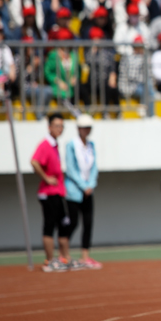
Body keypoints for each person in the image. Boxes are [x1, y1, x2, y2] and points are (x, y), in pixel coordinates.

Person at [31, 114, 72, 272]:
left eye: (61, 126)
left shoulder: (55, 144)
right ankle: (49, 260)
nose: (59, 129)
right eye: (56, 126)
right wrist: (46, 178)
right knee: (49, 225)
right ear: (49, 127)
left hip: (58, 192)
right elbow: (34, 161)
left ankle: (65, 258)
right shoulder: (45, 144)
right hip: (48, 193)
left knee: (63, 224)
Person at [64, 115, 101, 270]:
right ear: (78, 129)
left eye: (89, 127)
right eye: (84, 127)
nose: (87, 130)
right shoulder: (71, 145)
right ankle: (64, 255)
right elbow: (71, 169)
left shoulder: (91, 144)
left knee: (88, 223)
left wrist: (90, 185)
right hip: (74, 191)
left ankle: (85, 256)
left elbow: (94, 167)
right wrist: (83, 185)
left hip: (88, 191)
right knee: (72, 222)